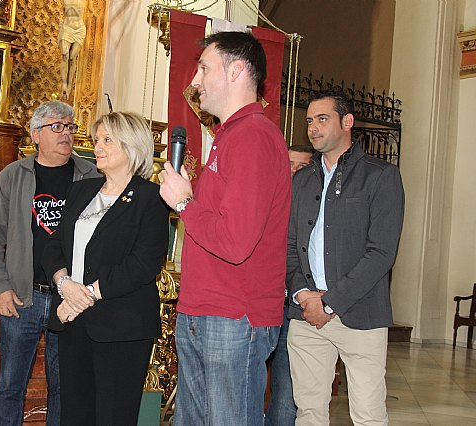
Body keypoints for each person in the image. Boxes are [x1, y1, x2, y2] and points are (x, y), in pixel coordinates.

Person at [159, 31, 292, 425]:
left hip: (235, 316)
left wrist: (184, 202)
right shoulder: (229, 136)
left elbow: (235, 242)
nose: (195, 81)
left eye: (203, 68)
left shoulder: (253, 136)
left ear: (236, 71)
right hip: (204, 309)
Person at [286, 88, 405, 425]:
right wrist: (303, 295)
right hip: (306, 313)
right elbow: (290, 246)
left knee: (368, 415)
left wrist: (330, 302)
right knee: (309, 412)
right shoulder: (301, 182)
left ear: (347, 122)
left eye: (322, 119)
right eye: (310, 120)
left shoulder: (381, 177)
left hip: (361, 314)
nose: (313, 127)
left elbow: (381, 253)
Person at [41, 111, 169, 425]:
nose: (97, 146)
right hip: (73, 320)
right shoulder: (81, 191)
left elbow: (144, 262)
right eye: (97, 139)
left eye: (107, 140)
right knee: (74, 414)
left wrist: (88, 294)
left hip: (121, 325)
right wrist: (64, 286)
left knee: (113, 416)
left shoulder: (151, 197)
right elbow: (52, 247)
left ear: (131, 146)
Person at [0, 100, 99, 426]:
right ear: (36, 134)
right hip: (22, 297)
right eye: (57, 126)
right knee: (9, 387)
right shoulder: (13, 176)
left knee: (64, 389)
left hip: (71, 300)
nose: (66, 134)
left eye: (70, 127)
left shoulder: (91, 176)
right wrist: (0, 287)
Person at [265, 143, 316, 426]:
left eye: (302, 166)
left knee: (287, 391)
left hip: (293, 310)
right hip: (261, 306)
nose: (293, 171)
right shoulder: (265, 197)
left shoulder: (316, 209)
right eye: (289, 164)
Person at [58, 0, 86, 99]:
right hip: (66, 27)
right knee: (65, 54)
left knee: (72, 57)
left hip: (79, 29)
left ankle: (70, 85)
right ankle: (64, 84)